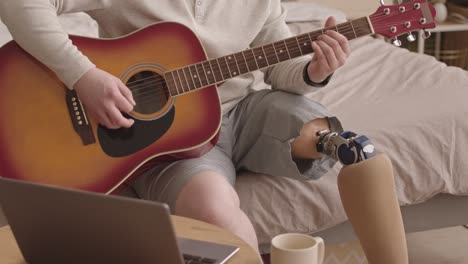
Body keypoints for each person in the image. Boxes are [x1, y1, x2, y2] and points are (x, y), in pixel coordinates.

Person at [0, 0, 350, 254]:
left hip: (241, 110)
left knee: (344, 142)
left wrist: (314, 71)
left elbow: (279, 67)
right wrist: (83, 76)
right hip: (167, 134)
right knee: (215, 213)